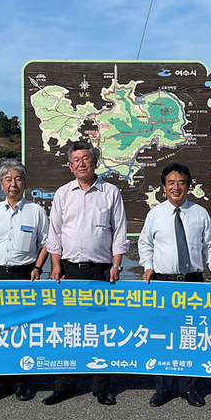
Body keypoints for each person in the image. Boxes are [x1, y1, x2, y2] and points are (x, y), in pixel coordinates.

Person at [42, 140, 129, 406]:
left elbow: (119, 232)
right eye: (76, 160)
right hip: (68, 269)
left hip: (101, 271)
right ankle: (64, 385)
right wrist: (55, 266)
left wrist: (116, 265)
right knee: (67, 328)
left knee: (99, 329)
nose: (81, 163)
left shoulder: (110, 192)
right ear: (70, 166)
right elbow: (54, 233)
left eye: (86, 158)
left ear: (95, 161)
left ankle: (100, 387)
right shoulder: (62, 193)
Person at [139, 163, 211, 408]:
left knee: (191, 336)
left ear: (189, 186)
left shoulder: (200, 213)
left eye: (181, 183)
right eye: (171, 183)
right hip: (163, 282)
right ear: (164, 188)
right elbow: (145, 244)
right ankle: (163, 388)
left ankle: (189, 387)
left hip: (193, 282)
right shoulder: (155, 214)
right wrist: (147, 266)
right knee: (163, 336)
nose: (176, 187)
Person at [0, 159, 49, 403]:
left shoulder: (36, 211)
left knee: (23, 330)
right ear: (1, 184)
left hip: (25, 275)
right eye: (8, 179)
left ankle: (22, 382)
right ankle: (0, 383)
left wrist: (38, 267)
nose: (13, 184)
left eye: (18, 179)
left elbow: (46, 243)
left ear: (25, 183)